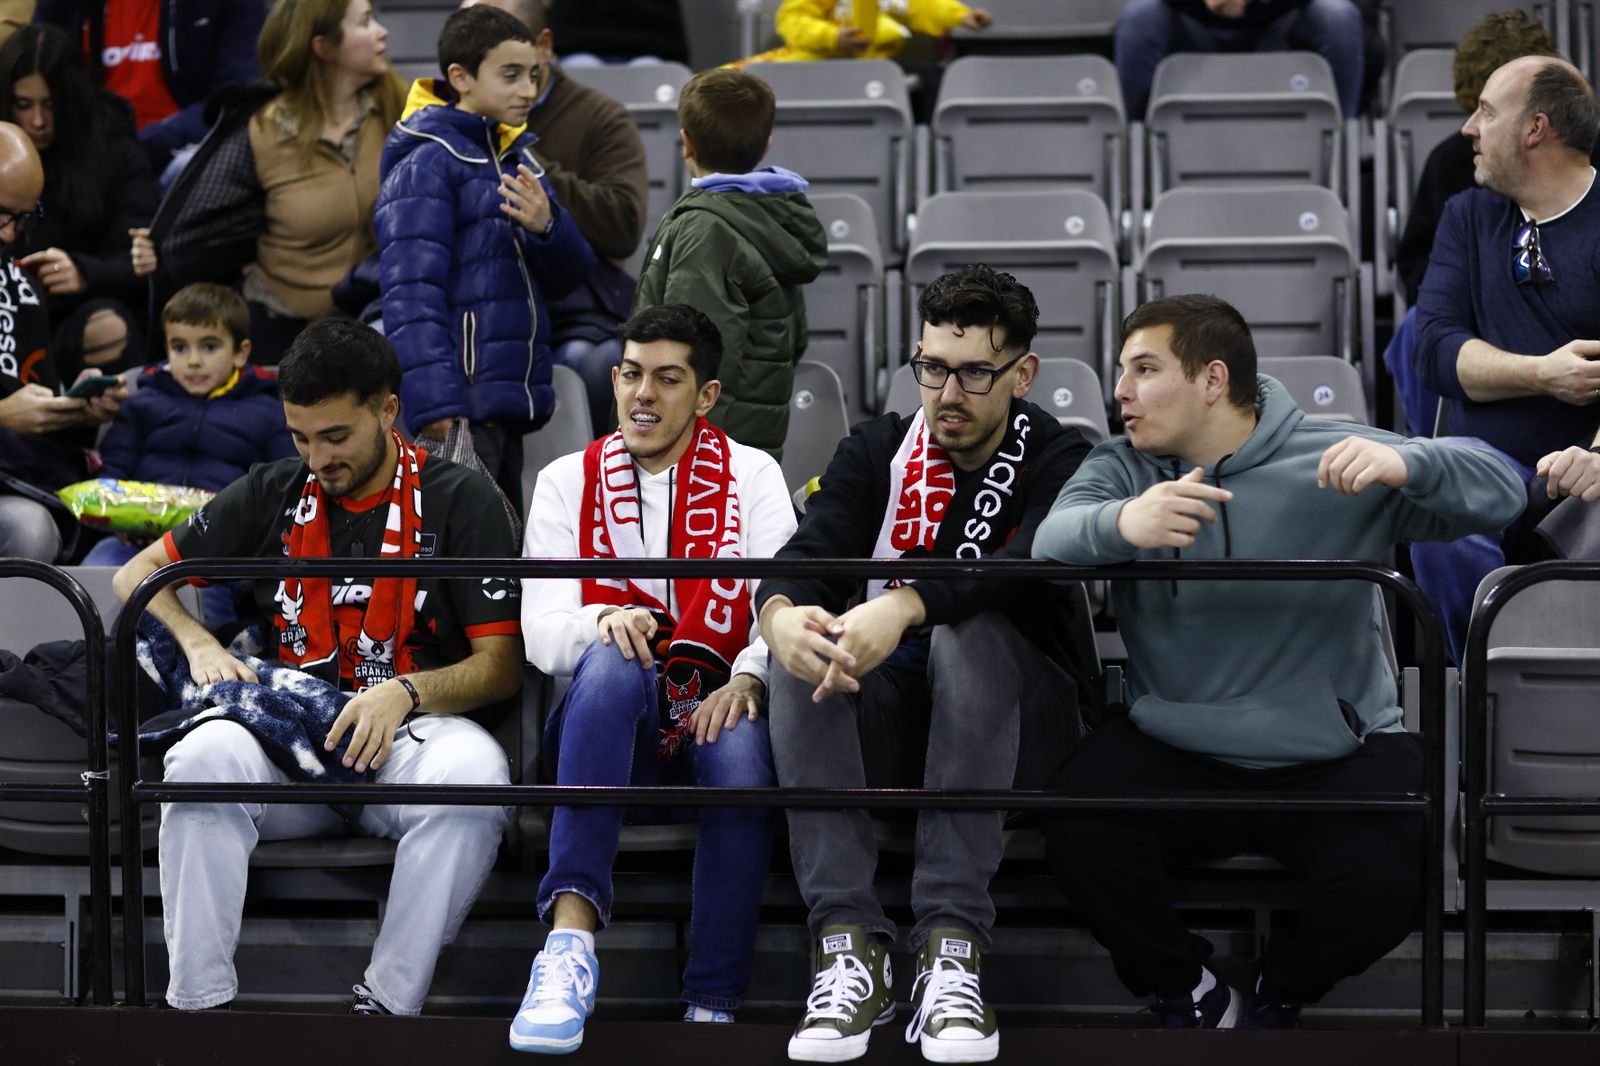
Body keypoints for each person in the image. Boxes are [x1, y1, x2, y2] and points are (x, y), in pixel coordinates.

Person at [1033, 294, 1526, 1029]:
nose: (1120, 393)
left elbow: (1503, 491)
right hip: (1176, 740)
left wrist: (1409, 460)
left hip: (1336, 743)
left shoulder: (1336, 452)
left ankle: (1278, 988)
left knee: (1400, 861)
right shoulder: (1120, 469)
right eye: (1119, 372)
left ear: (1211, 379)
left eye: (1143, 369)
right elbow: (1051, 546)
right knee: (1077, 824)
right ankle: (1188, 989)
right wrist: (1122, 523)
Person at [110, 317, 522, 1016]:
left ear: (388, 410)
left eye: (336, 437)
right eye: (300, 437)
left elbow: (502, 667)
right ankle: (196, 1010)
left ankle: (388, 1007)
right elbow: (136, 577)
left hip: (407, 734)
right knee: (201, 756)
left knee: (478, 779)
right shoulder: (273, 487)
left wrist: (408, 691)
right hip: (289, 729)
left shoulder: (461, 498)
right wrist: (199, 643)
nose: (317, 457)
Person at [758, 265, 1091, 1063]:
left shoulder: (1060, 453)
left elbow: (1027, 564)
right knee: (804, 647)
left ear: (1023, 372)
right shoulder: (878, 448)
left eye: (976, 372)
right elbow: (805, 555)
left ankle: (951, 944)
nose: (949, 393)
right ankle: (849, 945)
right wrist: (780, 618)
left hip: (1028, 733)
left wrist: (905, 605)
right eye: (933, 368)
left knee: (967, 635)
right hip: (902, 721)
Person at [510, 304, 797, 1052]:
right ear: (614, 378)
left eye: (668, 380)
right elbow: (542, 633)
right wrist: (599, 620)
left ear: (705, 396)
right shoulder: (566, 479)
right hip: (608, 725)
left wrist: (752, 679)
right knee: (609, 661)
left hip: (715, 700)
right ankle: (569, 947)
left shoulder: (753, 474)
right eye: (632, 375)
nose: (643, 395)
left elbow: (782, 604)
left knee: (740, 756)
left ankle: (713, 1004)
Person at [1412, 55, 1600, 664]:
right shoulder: (1467, 217)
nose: (1469, 127)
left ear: (1535, 128)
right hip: (1485, 461)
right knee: (1439, 503)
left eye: (1487, 112)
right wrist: (1542, 373)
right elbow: (1434, 350)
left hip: (1587, 466)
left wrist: (1597, 456)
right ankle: (1486, 698)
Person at [375, 4, 596, 511]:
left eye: (534, 75)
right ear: (461, 77)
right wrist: (435, 404)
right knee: (459, 559)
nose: (528, 90)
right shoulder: (428, 164)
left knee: (497, 556)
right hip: (458, 406)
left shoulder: (519, 158)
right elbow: (410, 296)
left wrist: (549, 227)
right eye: (511, 75)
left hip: (506, 402)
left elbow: (572, 276)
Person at [133, 0, 405, 365]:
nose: (382, 32)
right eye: (366, 22)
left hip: (367, 317)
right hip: (278, 325)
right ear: (323, 47)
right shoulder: (264, 130)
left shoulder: (399, 108)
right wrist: (158, 251)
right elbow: (200, 229)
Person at [460, 0, 648, 435]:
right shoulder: (435, 122)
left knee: (594, 361)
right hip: (468, 306)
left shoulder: (602, 117)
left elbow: (623, 227)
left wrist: (522, 156)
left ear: (543, 47)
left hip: (570, 309)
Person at [1386, 10, 1564, 438]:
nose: (1474, 130)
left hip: (1562, 302)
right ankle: (1436, 448)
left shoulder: (1580, 154)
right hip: (1471, 307)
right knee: (1416, 330)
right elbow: (1417, 268)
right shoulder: (1452, 162)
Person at [632, 67, 825, 460]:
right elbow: (795, 338)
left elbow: (687, 356)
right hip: (745, 443)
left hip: (695, 451)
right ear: (766, 144)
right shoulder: (773, 217)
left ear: (686, 142)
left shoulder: (704, 229)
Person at [83, 283, 294, 623]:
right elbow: (112, 473)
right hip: (133, 541)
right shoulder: (142, 404)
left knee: (206, 612)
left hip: (213, 554)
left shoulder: (268, 412)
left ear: (241, 352)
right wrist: (114, 516)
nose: (193, 361)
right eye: (179, 348)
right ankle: (80, 666)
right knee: (91, 580)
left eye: (209, 347)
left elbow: (280, 490)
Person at [0, 23, 156, 381]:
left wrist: (83, 272)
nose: (37, 121)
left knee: (109, 326)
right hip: (5, 304)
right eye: (23, 105)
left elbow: (138, 262)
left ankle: (110, 435)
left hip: (75, 311)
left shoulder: (116, 152)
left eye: (50, 106)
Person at [0, 120, 123, 561]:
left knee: (35, 529)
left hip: (19, 471)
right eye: (2, 215)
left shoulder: (22, 288)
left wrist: (77, 409)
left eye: (24, 217)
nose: (11, 235)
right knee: (29, 528)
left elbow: (34, 389)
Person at [33, 0, 266, 174]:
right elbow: (37, 70)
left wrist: (148, 143)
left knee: (188, 167)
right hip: (86, 154)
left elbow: (238, 97)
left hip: (183, 153)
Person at [1114, 0, 1365, 120]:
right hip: (1190, 25)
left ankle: (1339, 146)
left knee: (1338, 16)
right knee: (1139, 17)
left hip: (1283, 25)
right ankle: (1134, 152)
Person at [773, 0, 991, 62]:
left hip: (877, 66)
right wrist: (833, 37)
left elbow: (923, 6)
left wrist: (960, 16)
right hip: (825, 63)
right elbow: (791, 19)